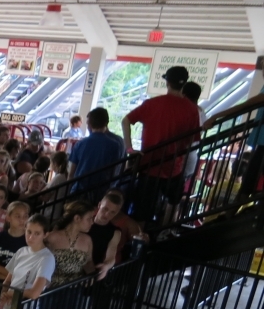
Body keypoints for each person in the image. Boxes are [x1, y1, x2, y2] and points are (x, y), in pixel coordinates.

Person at [122, 65, 202, 226]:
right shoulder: (192, 110)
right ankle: (164, 232)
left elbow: (126, 121)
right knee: (173, 202)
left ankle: (137, 242)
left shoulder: (152, 104)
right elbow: (192, 140)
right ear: (184, 84)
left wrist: (130, 148)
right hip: (175, 165)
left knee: (142, 210)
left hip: (149, 164)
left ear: (167, 83)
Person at [68, 107, 126, 200]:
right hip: (101, 191)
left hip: (79, 190)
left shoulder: (80, 144)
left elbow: (71, 173)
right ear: (106, 122)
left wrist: (69, 191)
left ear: (90, 124)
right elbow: (116, 170)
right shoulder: (116, 145)